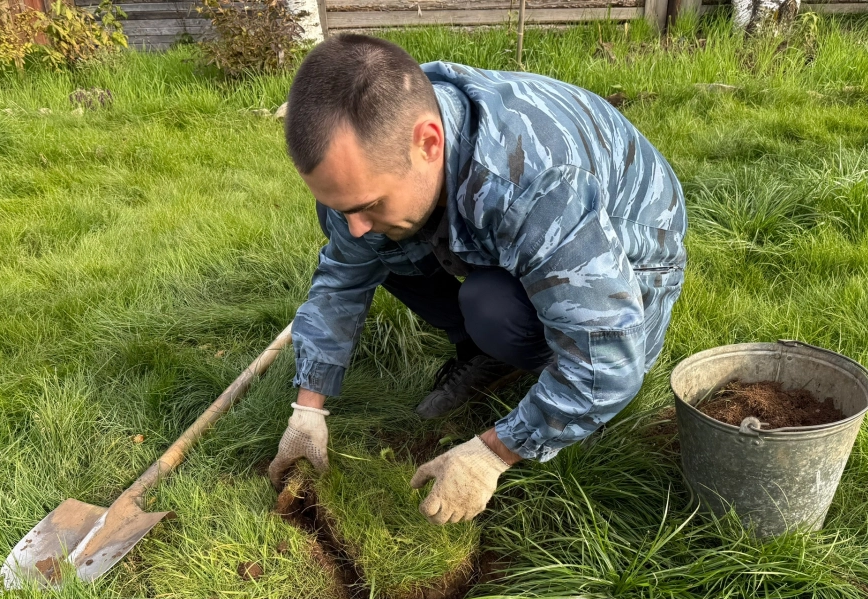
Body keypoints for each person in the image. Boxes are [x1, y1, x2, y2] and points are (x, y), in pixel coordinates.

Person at [268, 34, 687, 525]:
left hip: (630, 253)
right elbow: (342, 279)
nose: (354, 226)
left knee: (495, 307)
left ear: (428, 143)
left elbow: (608, 365)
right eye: (345, 206)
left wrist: (494, 451)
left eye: (368, 203)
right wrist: (308, 408)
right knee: (380, 239)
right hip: (513, 222)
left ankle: (530, 359)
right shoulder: (383, 150)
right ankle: (483, 354)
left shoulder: (532, 183)